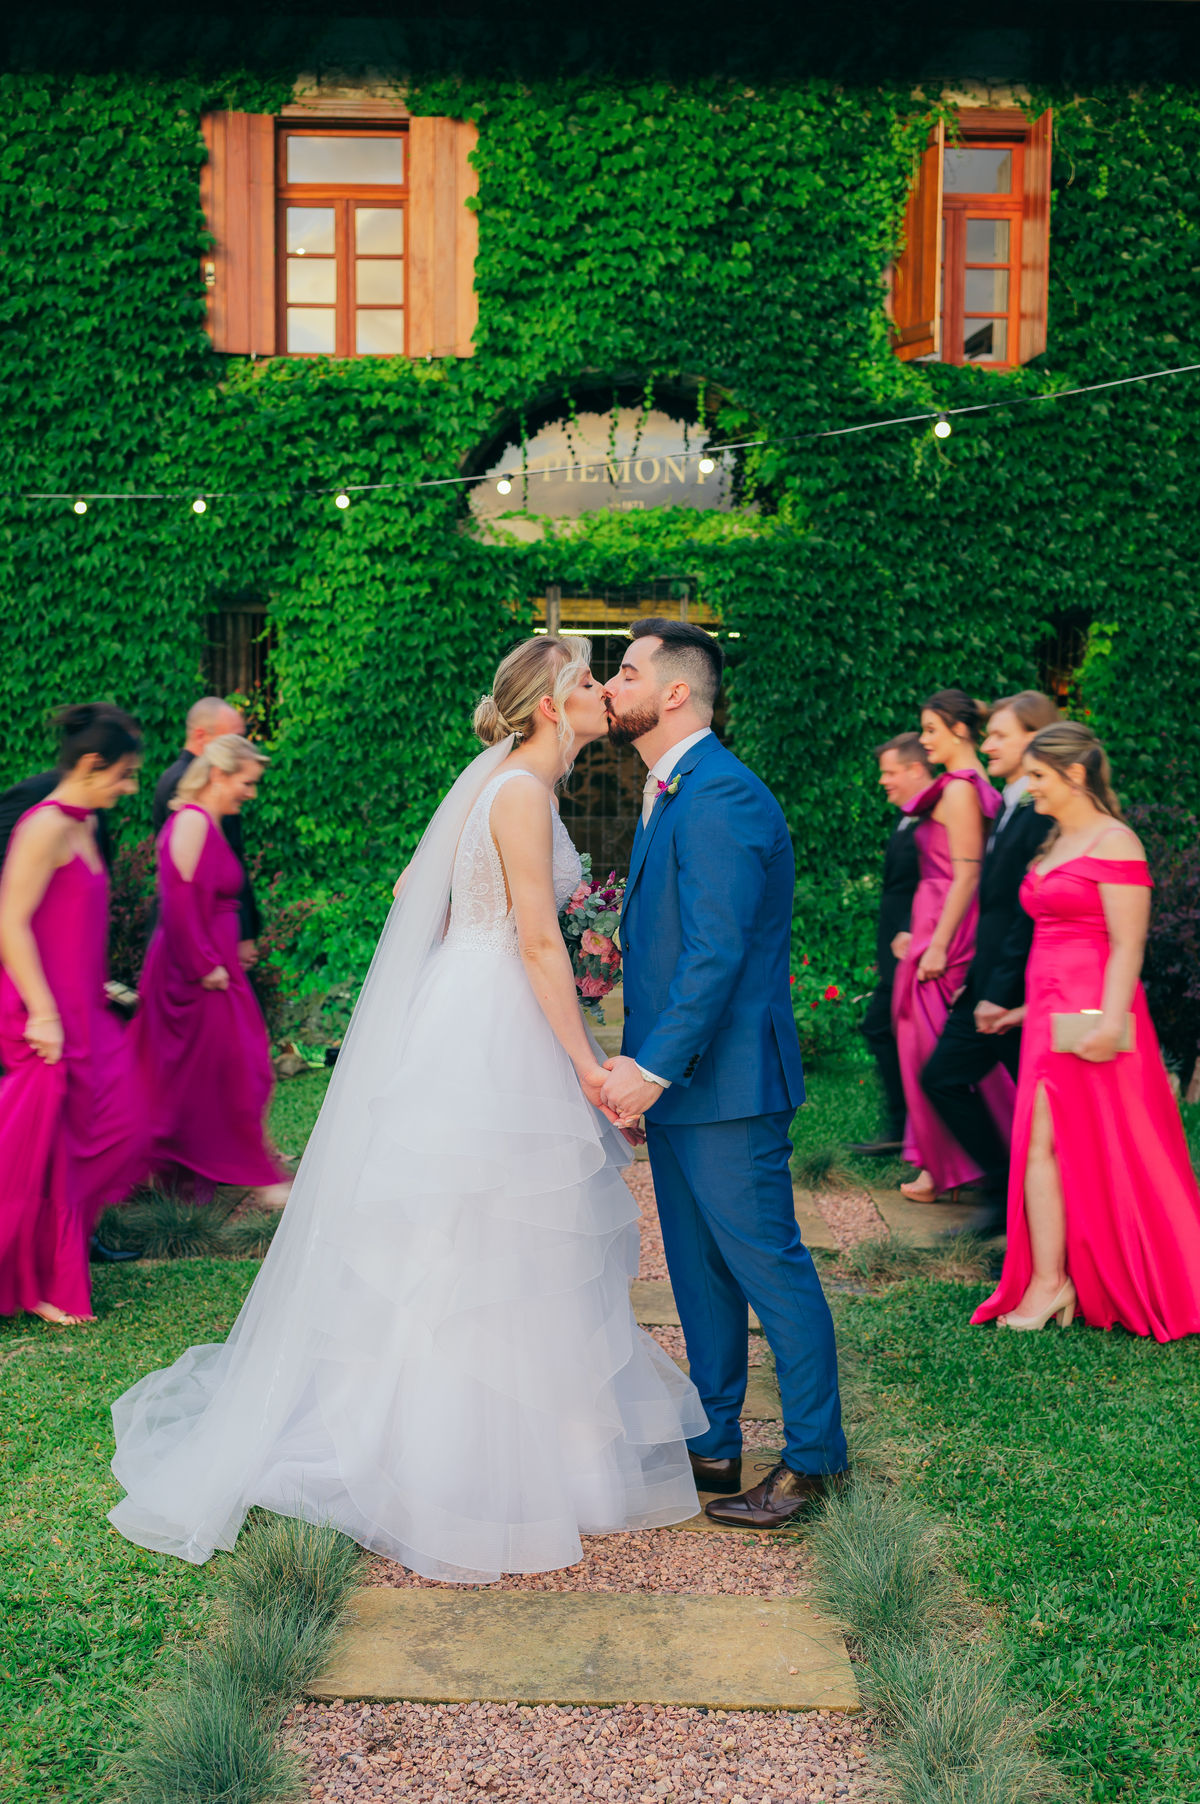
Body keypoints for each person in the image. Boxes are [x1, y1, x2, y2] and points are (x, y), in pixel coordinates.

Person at [108, 637, 706, 1580]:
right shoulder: (520, 791)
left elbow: (412, 891)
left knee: (475, 1235)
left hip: (471, 1008)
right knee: (483, 1236)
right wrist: (587, 1063)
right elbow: (538, 946)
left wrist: (483, 949)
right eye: (589, 679)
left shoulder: (501, 783)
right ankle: (450, 1461)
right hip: (496, 1024)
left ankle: (490, 1445)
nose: (603, 692)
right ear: (551, 705)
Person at [599, 619, 845, 1531]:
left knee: (770, 1269)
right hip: (683, 1084)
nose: (610, 686)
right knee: (699, 1272)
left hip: (728, 1084)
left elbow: (716, 953)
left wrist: (652, 1069)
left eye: (626, 672)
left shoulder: (723, 794)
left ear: (675, 692)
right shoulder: (672, 789)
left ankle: (816, 1462)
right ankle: (712, 1437)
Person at [972, 722, 1200, 1339]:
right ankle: (1055, 1278)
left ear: (1074, 774)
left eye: (1039, 775)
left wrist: (1106, 1021)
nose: (1030, 787)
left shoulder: (1117, 841)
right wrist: (1023, 1011)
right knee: (1045, 1147)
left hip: (1096, 1019)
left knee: (1095, 1148)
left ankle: (1058, 1281)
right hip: (1050, 1019)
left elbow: (1126, 946)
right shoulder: (1058, 837)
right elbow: (1053, 942)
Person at [0, 705, 149, 1325]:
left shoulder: (84, 823)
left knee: (124, 1123)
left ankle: (51, 1272)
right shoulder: (43, 826)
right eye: (124, 774)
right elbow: (9, 922)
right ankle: (44, 1283)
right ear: (91, 764)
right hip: (43, 1015)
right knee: (43, 1152)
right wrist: (42, 1014)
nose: (131, 787)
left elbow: (69, 920)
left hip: (82, 1005)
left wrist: (97, 982)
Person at [921, 692, 1059, 1236]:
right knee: (943, 1078)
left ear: (1037, 740)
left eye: (1001, 735)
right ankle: (1004, 1192)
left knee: (1048, 1110)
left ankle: (1041, 1215)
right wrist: (976, 979)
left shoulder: (1042, 814)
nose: (989, 743)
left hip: (1018, 990)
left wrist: (999, 992)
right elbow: (997, 907)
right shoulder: (1012, 803)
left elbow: (1026, 915)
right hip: (988, 980)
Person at [136, 736, 289, 1207]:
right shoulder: (191, 821)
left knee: (227, 1070)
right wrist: (205, 965)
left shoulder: (209, 822)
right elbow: (178, 901)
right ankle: (254, 1176)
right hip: (194, 973)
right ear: (219, 775)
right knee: (234, 1070)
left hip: (216, 967)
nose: (251, 793)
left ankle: (184, 1175)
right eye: (247, 782)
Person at [892, 689, 1011, 1204]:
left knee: (929, 1045)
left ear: (960, 730)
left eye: (931, 729)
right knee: (927, 1043)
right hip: (936, 918)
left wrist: (938, 946)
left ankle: (957, 1164)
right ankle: (939, 1164)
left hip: (946, 925)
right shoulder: (965, 785)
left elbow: (967, 876)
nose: (923, 739)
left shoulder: (961, 789)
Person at [846, 734, 931, 1156]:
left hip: (917, 948)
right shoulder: (907, 816)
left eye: (890, 772)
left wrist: (916, 931)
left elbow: (940, 883)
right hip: (897, 950)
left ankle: (913, 1128)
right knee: (883, 1028)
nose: (883, 781)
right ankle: (905, 1126)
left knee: (885, 1027)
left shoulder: (935, 818)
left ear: (916, 769)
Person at [153, 698, 261, 970]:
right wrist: (240, 935)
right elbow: (187, 887)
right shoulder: (197, 793)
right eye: (234, 738)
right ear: (201, 736)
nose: (241, 746)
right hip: (203, 942)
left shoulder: (184, 779)